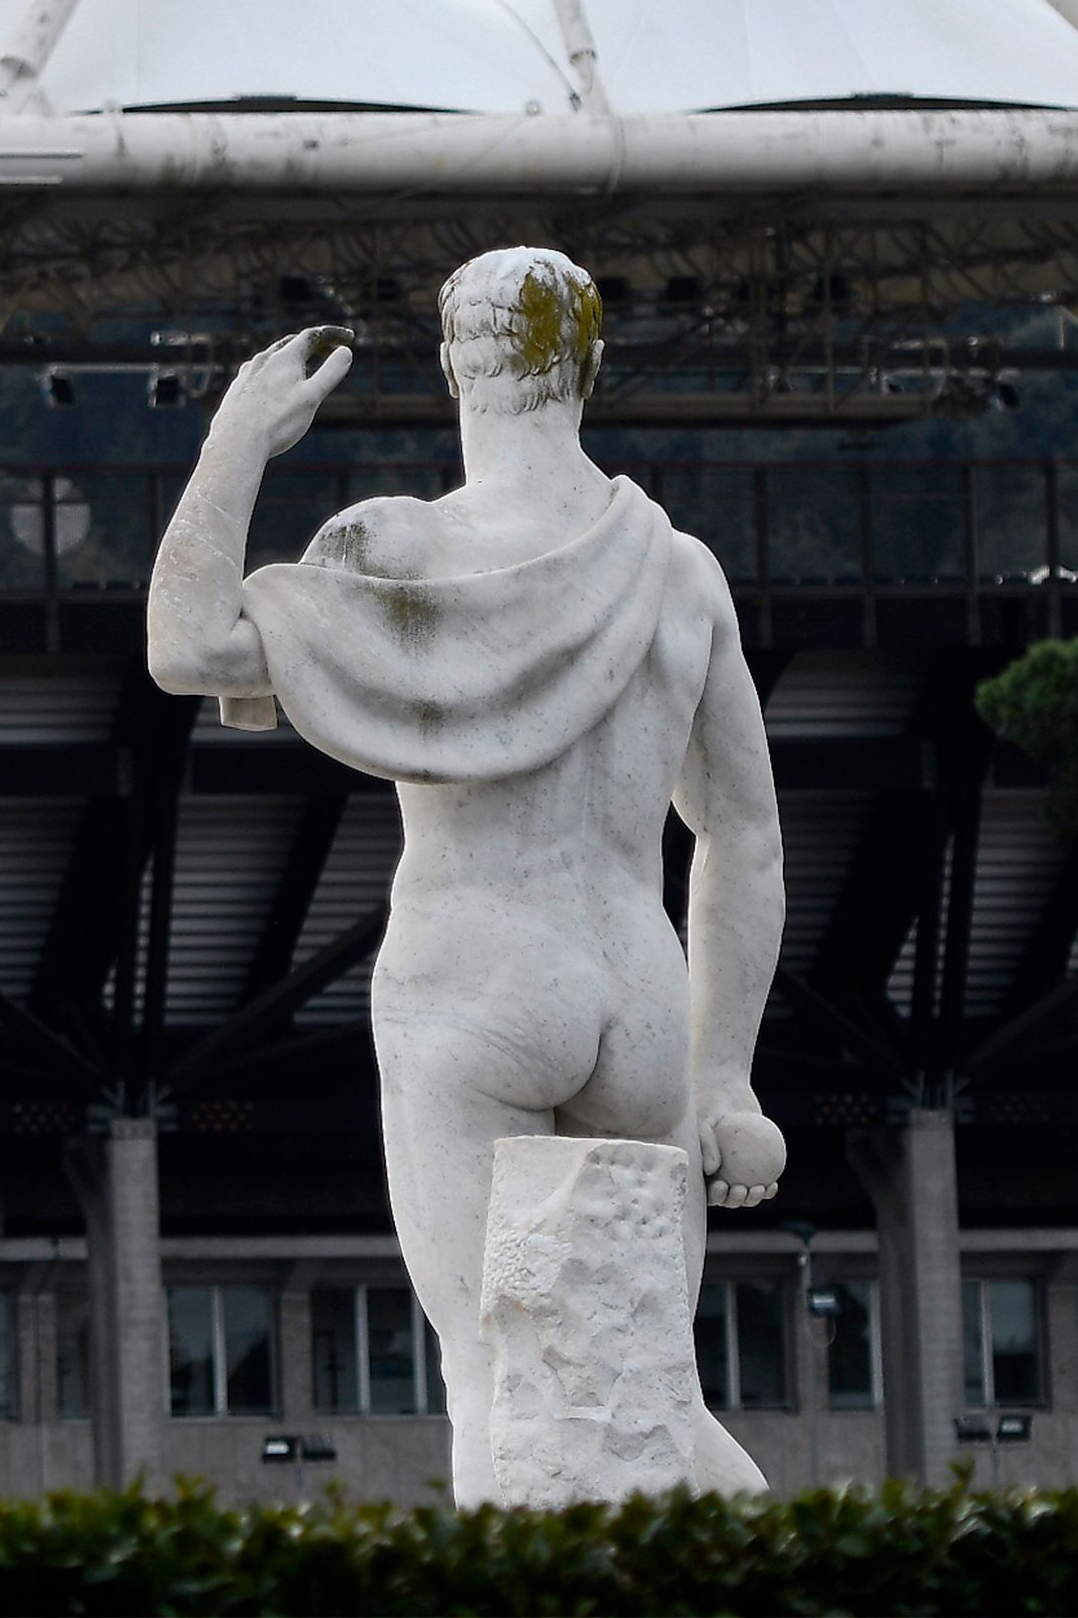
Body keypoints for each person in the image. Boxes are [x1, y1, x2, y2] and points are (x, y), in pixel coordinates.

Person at [146, 247, 785, 1502]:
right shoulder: (679, 573)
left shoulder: (399, 548)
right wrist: (724, 1076)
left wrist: (234, 442)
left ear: (451, 364)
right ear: (590, 365)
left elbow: (186, 645)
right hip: (639, 997)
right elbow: (744, 836)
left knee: (498, 1378)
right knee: (643, 1388)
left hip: (477, 986)